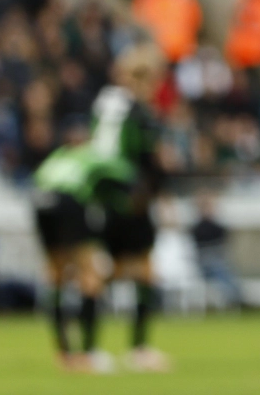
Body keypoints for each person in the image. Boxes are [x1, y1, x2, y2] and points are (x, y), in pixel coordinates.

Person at [90, 43, 170, 372]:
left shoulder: (105, 105)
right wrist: (160, 189)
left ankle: (89, 348)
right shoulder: (139, 112)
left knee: (104, 273)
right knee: (143, 272)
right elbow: (146, 160)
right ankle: (138, 348)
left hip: (103, 197)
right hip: (131, 200)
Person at [32, 131, 133, 371]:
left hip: (40, 202)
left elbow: (37, 179)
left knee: (56, 275)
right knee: (90, 275)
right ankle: (88, 353)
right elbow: (125, 173)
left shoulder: (55, 158)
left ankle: (64, 353)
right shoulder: (90, 156)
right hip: (69, 202)